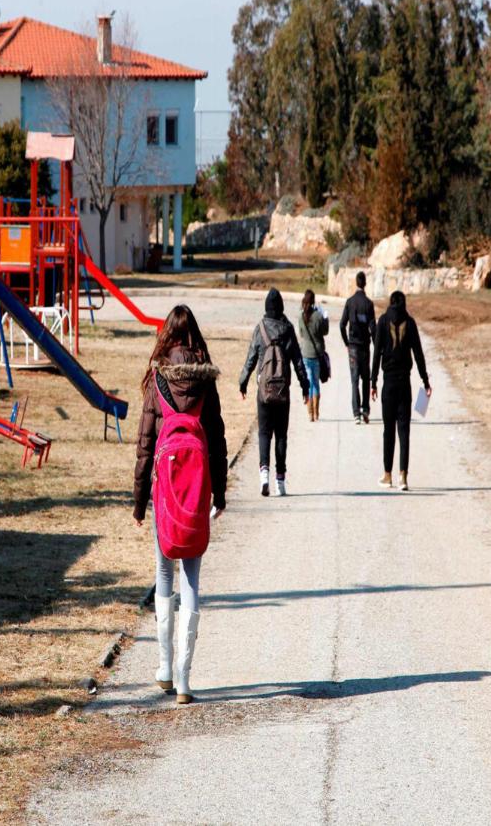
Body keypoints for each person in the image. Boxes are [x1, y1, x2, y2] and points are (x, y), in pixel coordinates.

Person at [133, 305, 227, 704]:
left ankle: (165, 668)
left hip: (165, 495)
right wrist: (219, 493)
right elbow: (217, 441)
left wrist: (139, 501)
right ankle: (186, 680)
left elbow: (145, 445)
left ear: (167, 337)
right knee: (191, 580)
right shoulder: (206, 381)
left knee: (163, 573)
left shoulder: (157, 378)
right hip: (196, 493)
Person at [238, 288, 309, 497]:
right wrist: (305, 386)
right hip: (283, 391)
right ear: (282, 307)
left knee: (264, 433)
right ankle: (280, 482)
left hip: (264, 391)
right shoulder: (288, 329)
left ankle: (263, 475)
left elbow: (251, 359)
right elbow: (298, 361)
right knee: (281, 435)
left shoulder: (260, 328)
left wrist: (243, 383)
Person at [371, 290, 432, 491]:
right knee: (404, 431)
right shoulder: (410, 323)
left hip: (388, 383)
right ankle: (403, 477)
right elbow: (419, 353)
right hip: (405, 383)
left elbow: (377, 353)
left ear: (390, 303)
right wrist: (425, 381)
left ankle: (387, 475)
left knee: (388, 430)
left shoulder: (382, 321)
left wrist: (373, 382)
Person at [339, 271, 376, 425]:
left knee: (354, 380)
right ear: (365, 283)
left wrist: (346, 343)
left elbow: (342, 325)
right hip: (365, 347)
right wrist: (377, 345)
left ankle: (356, 414)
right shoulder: (369, 304)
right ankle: (365, 409)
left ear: (356, 283)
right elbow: (373, 327)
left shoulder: (350, 302)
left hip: (353, 346)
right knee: (366, 379)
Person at [296, 289, 329, 422]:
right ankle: (316, 412)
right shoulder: (318, 316)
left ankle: (310, 413)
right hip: (317, 354)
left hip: (305, 352)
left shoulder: (301, 316)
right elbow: (325, 331)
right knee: (315, 382)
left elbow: (301, 334)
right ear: (314, 301)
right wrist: (325, 318)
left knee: (308, 382)